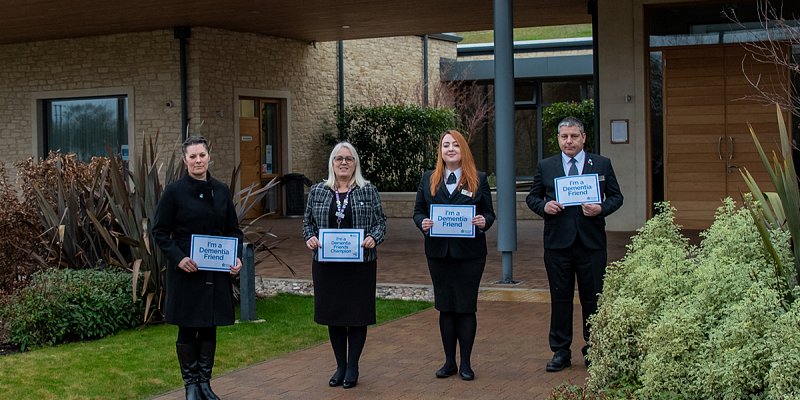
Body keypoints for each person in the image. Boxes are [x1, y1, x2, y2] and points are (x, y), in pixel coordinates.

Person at [526, 116, 623, 372]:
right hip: (558, 245)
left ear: (583, 138)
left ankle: (594, 348)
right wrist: (544, 206)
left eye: (574, 136)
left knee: (593, 299)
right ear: (558, 139)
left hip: (591, 245)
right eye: (564, 137)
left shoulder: (601, 164)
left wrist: (601, 208)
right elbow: (532, 197)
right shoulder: (546, 166)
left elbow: (617, 197)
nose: (569, 141)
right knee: (560, 298)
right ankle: (560, 350)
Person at [152, 135, 243, 400]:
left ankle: (205, 383)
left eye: (201, 155)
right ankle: (190, 385)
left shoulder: (221, 190)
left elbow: (233, 230)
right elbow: (159, 231)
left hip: (215, 273)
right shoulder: (174, 192)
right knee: (187, 326)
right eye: (192, 156)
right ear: (185, 161)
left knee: (209, 326)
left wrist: (235, 257)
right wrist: (179, 258)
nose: (198, 160)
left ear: (208, 156)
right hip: (187, 271)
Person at [413, 129, 495, 381]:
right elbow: (418, 211)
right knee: (446, 308)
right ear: (440, 151)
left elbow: (490, 215)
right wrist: (423, 222)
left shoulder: (478, 179)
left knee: (465, 308)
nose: (450, 149)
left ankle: (466, 364)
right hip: (439, 254)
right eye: (445, 145)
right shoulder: (429, 178)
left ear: (463, 151)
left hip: (469, 256)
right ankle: (449, 362)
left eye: (455, 145)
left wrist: (483, 221)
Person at [303, 141, 386, 389]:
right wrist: (310, 237)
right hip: (327, 266)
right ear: (332, 163)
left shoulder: (368, 191)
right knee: (335, 316)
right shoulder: (318, 191)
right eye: (339, 159)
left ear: (355, 163)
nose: (343, 163)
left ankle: (353, 366)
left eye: (348, 159)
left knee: (357, 316)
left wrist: (374, 237)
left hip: (360, 265)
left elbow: (381, 223)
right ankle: (340, 365)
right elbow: (307, 223)